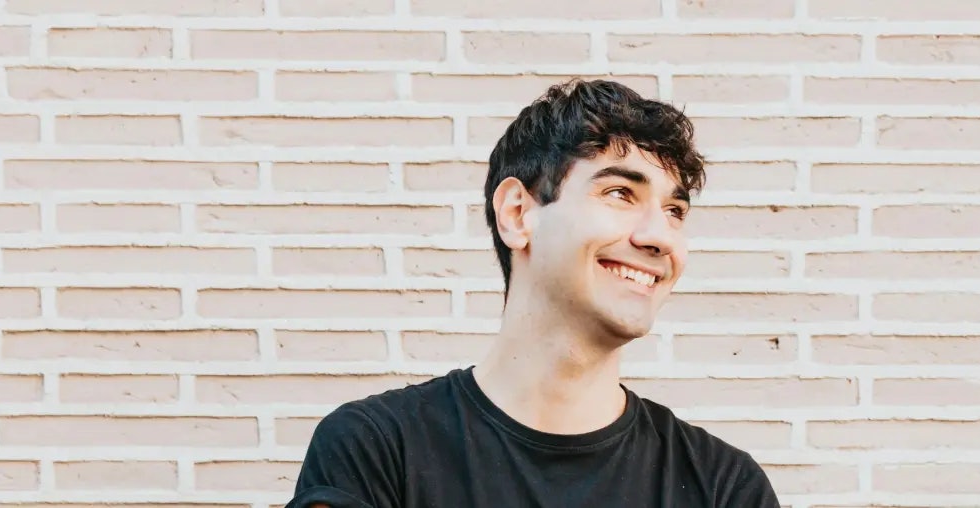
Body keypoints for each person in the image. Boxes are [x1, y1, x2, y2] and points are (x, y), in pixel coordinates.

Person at [284, 78, 780, 507]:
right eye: (619, 194)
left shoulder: (723, 487)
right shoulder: (377, 451)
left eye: (675, 211)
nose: (660, 237)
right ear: (518, 214)